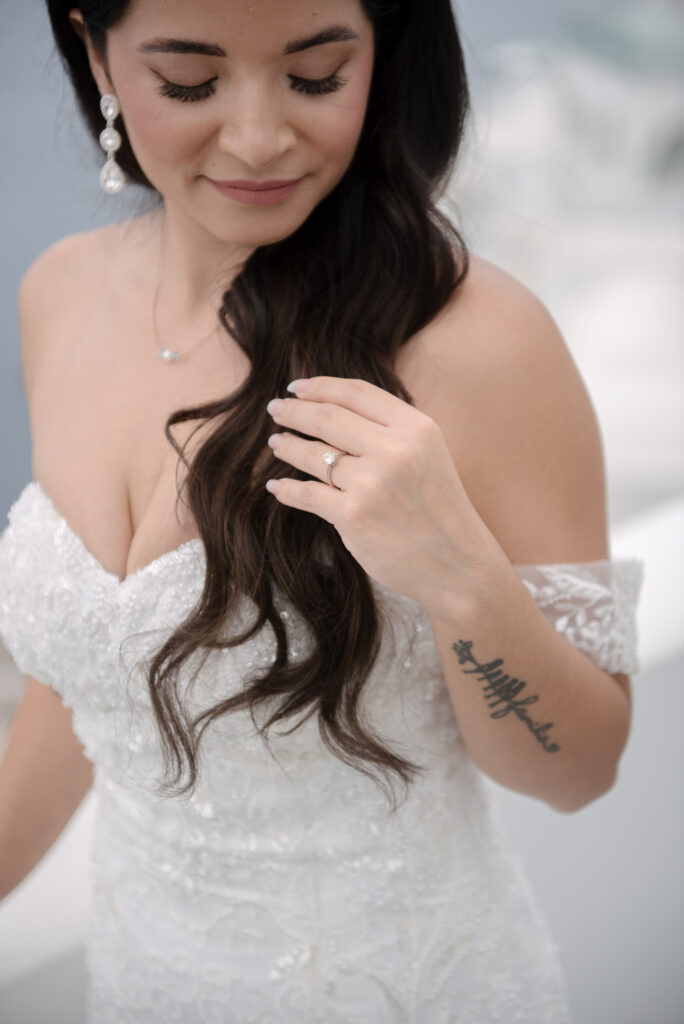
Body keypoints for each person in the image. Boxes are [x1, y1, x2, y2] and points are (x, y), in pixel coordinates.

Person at [0, 0, 644, 1021]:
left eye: (313, 78)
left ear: (383, 57)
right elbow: (85, 687)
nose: (258, 139)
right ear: (95, 52)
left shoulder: (480, 344)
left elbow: (580, 770)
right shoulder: (57, 296)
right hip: (141, 984)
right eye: (190, 82)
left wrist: (459, 574)